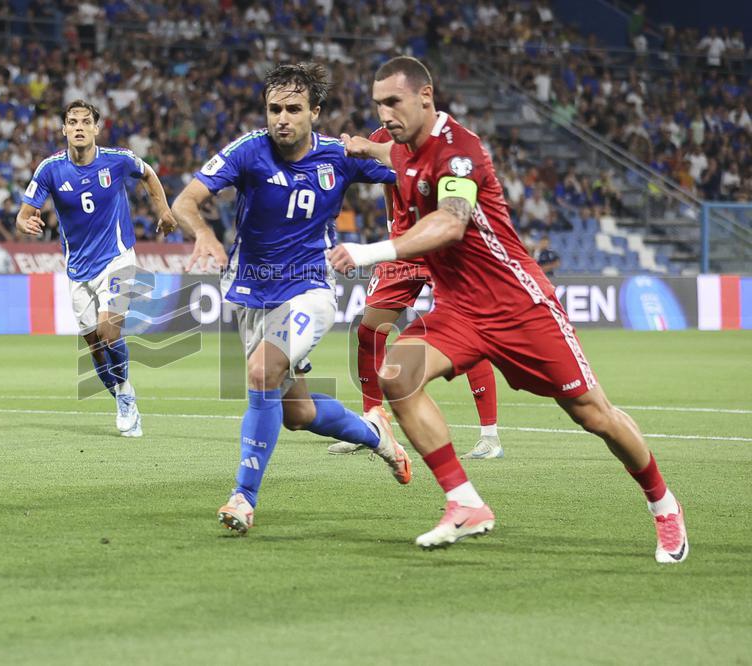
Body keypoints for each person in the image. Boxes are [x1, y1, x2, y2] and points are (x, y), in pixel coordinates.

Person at [331, 56, 687, 564]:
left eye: (393, 101)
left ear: (426, 97)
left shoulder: (460, 152)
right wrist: (364, 145)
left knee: (594, 416)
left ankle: (664, 504)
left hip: (519, 306)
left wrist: (370, 251)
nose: (384, 113)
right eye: (377, 104)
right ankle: (464, 501)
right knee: (397, 375)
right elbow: (391, 154)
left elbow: (451, 223)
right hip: (460, 309)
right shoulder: (406, 150)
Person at [171, 63, 411, 535]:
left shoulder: (337, 157)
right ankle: (377, 437)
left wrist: (383, 148)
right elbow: (185, 201)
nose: (282, 118)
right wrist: (202, 234)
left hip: (309, 289)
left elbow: (412, 167)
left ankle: (244, 496)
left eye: (294, 109)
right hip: (249, 292)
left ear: (314, 112)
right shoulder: (248, 150)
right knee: (297, 413)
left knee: (261, 370)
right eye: (274, 109)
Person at [327, 125, 503, 460]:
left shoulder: (442, 140)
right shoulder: (379, 138)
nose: (389, 111)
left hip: (441, 244)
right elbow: (377, 178)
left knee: (466, 333)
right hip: (402, 247)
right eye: (383, 104)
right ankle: (372, 424)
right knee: (368, 331)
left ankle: (489, 436)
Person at [16, 100, 177, 438]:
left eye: (85, 121)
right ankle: (121, 393)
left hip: (117, 259)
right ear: (63, 129)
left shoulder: (117, 161)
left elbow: (148, 174)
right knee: (94, 346)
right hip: (77, 268)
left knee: (109, 333)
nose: (78, 126)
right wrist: (25, 223)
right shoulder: (50, 169)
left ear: (95, 128)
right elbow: (24, 212)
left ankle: (126, 397)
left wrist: (162, 210)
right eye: (72, 121)